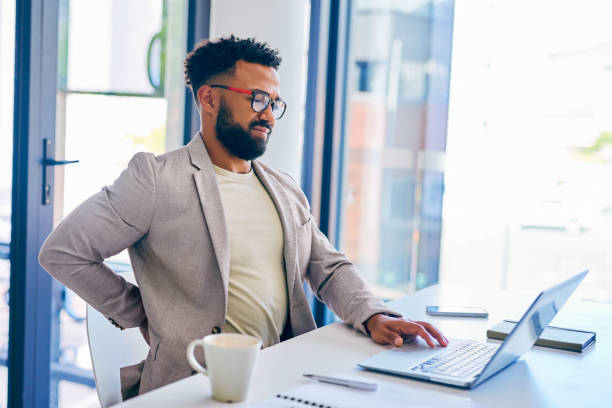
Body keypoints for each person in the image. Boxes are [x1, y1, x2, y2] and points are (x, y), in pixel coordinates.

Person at [39, 36, 447, 399]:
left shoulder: (284, 188)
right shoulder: (156, 179)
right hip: (195, 385)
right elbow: (64, 252)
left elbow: (328, 267)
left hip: (285, 377)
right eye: (256, 99)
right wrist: (144, 311)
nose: (268, 114)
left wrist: (375, 316)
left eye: (274, 103)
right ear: (209, 98)